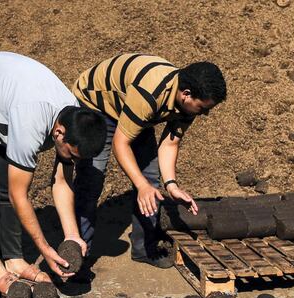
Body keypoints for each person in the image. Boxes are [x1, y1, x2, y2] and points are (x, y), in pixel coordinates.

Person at [0, 52, 108, 292]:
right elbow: (21, 195)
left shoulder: (75, 118)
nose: (73, 160)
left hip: (1, 104)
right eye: (72, 154)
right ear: (58, 133)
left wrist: (71, 235)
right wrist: (45, 250)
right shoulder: (31, 123)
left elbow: (61, 181)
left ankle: (14, 260)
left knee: (6, 187)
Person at [71, 53, 226, 272]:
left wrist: (171, 185)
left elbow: (170, 144)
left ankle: (144, 249)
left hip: (132, 109)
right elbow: (120, 144)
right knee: (92, 180)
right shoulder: (151, 93)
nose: (206, 114)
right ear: (186, 94)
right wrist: (140, 184)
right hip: (97, 105)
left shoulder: (186, 103)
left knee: (151, 178)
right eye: (203, 108)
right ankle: (78, 256)